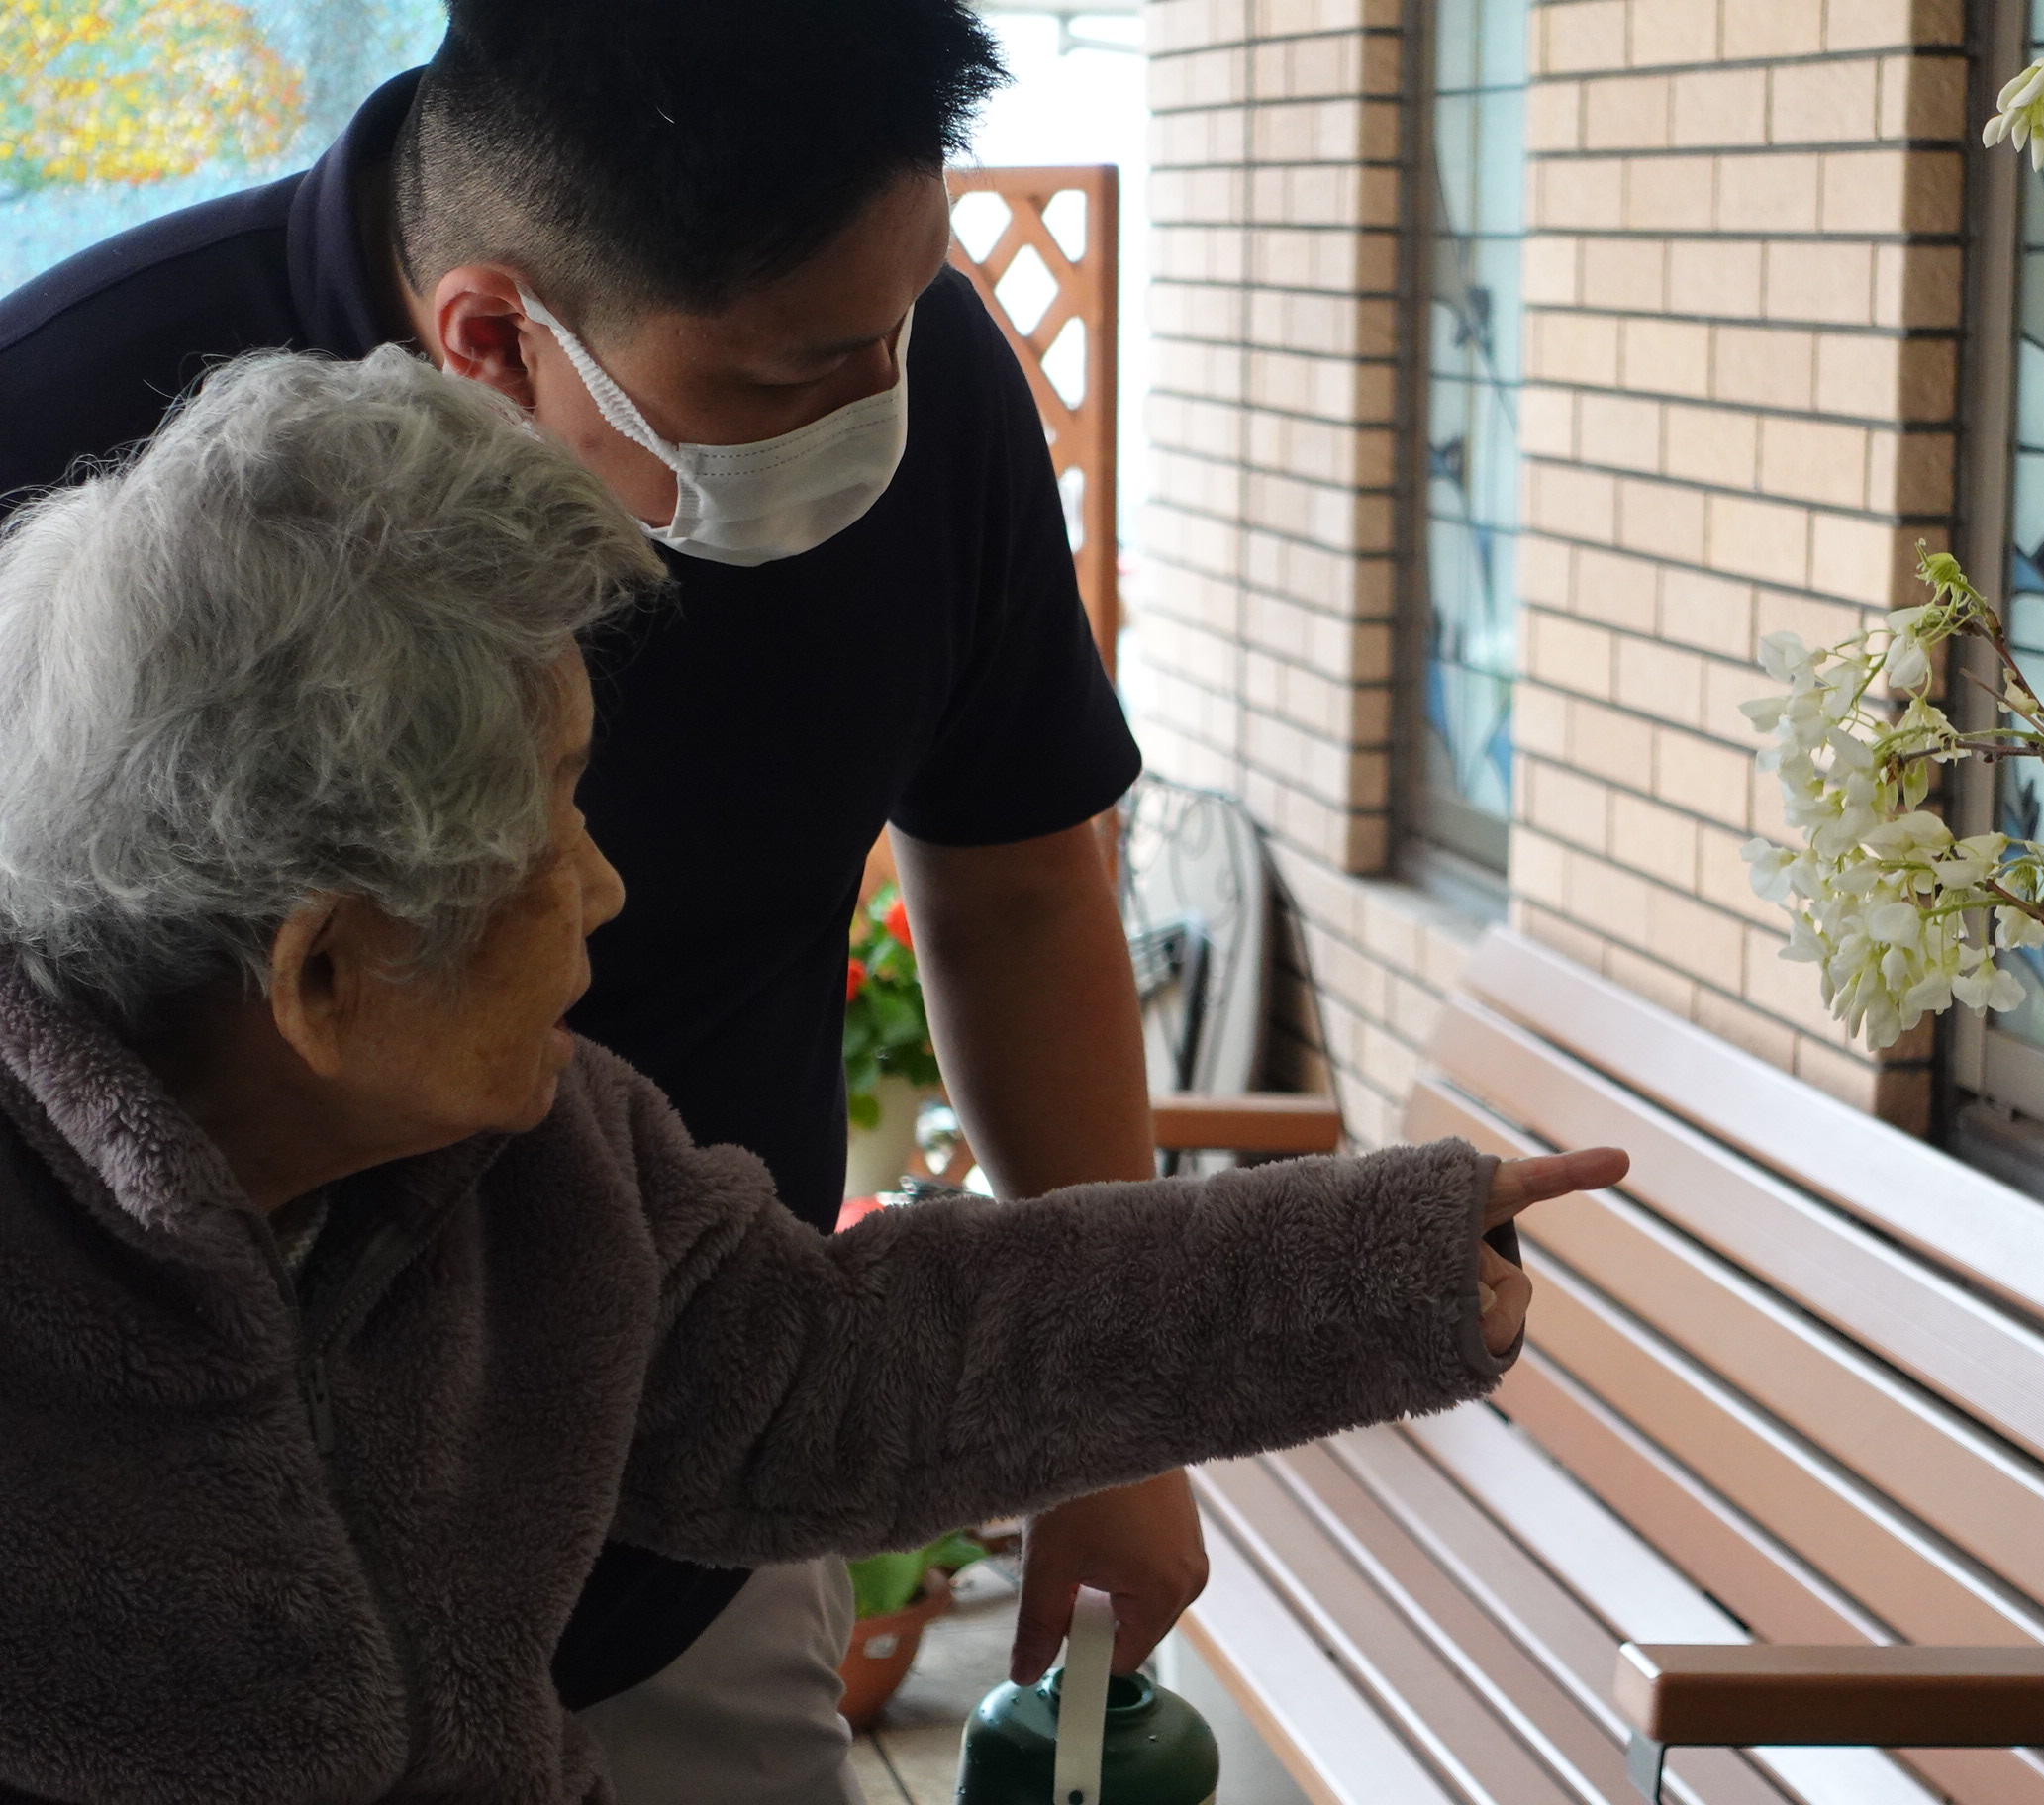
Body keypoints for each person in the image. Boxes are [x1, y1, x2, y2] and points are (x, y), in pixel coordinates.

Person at [0, 347, 1622, 1805]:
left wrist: (1378, 1262)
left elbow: (844, 1365)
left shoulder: (543, 1162)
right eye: (549, 826)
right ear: (322, 976)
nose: (604, 885)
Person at [0, 2, 1188, 1794]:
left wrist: (1114, 1420)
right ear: (491, 337)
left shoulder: (900, 367)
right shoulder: (70, 420)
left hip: (700, 1519)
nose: (884, 399)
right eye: (793, 379)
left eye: (911, 318)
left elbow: (1020, 888)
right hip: (144, 1622)